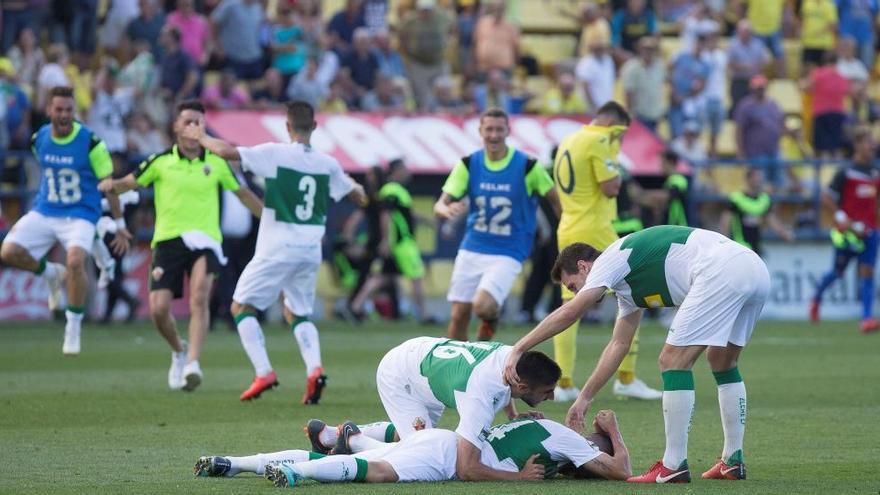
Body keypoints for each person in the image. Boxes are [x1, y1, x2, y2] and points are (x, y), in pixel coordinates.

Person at [504, 225, 771, 483]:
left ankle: (673, 466)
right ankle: (732, 461)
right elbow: (618, 345)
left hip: (720, 270)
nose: (576, 293)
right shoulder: (626, 288)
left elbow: (571, 312)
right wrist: (584, 398)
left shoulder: (611, 258)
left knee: (671, 361)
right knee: (722, 361)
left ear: (584, 266)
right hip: (754, 268)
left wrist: (519, 348)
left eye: (573, 286)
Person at [182, 100, 366, 403]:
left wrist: (201, 137)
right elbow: (358, 197)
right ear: (315, 127)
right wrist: (354, 186)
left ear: (287, 126)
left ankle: (264, 371)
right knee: (298, 311)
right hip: (310, 250)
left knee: (240, 307)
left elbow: (228, 152)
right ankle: (314, 369)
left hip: (278, 247)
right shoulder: (328, 163)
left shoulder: (276, 154)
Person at [100, 100, 263, 391]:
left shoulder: (215, 163)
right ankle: (178, 349)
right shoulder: (160, 161)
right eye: (187, 121)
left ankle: (193, 363)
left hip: (206, 241)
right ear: (176, 126)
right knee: (159, 310)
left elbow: (244, 194)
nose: (193, 127)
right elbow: (128, 183)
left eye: (198, 122)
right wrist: (110, 186)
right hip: (168, 240)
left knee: (199, 295)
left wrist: (271, 219)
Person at [305, 336, 561, 481]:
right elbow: (466, 468)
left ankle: (330, 435)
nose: (552, 396)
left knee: (419, 434)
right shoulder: (479, 398)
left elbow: (504, 389)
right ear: (524, 387)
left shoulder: (511, 359)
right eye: (547, 390)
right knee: (416, 450)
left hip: (424, 360)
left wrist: (514, 415)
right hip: (401, 374)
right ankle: (355, 441)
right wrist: (520, 477)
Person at [0, 86, 131, 355]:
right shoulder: (39, 138)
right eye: (59, 109)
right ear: (49, 110)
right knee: (8, 251)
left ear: (75, 111)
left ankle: (73, 326)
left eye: (69, 110)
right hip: (46, 210)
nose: (64, 115)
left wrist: (119, 225)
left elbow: (109, 185)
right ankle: (50, 273)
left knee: (74, 261)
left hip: (81, 213)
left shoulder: (91, 141)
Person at [549, 101, 660, 402]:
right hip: (595, 228)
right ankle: (626, 377)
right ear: (616, 127)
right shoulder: (600, 140)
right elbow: (611, 187)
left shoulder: (569, 139)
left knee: (568, 304)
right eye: (621, 135)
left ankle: (564, 382)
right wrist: (613, 154)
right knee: (631, 292)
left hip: (569, 225)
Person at [194, 412, 632, 485]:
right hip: (445, 456)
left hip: (439, 442)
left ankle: (233, 463)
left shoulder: (544, 429)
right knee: (379, 472)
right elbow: (619, 471)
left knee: (363, 460)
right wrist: (614, 432)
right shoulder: (566, 441)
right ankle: (298, 474)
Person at [433, 108, 559, 341]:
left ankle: (490, 320)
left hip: (509, 249)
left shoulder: (528, 166)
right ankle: (457, 366)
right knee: (459, 314)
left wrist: (564, 229)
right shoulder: (469, 164)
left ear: (508, 131)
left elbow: (554, 199)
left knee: (481, 305)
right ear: (480, 131)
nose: (493, 135)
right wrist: (445, 209)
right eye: (489, 129)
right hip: (473, 245)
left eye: (499, 129)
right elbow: (440, 204)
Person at [809, 128, 879, 333]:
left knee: (868, 272)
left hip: (869, 231)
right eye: (868, 142)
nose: (872, 147)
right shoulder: (846, 172)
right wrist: (842, 218)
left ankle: (866, 319)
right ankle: (816, 299)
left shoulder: (875, 173)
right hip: (847, 232)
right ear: (857, 145)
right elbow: (826, 197)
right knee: (838, 272)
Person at [349, 159, 428, 322]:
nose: (408, 172)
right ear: (397, 171)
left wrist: (427, 221)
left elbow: (406, 214)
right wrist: (386, 240)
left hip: (397, 243)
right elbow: (387, 215)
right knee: (417, 276)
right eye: (405, 169)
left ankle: (356, 307)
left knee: (381, 277)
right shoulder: (391, 190)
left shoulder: (395, 190)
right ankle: (424, 315)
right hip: (401, 243)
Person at [719, 168, 795, 257]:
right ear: (748, 179)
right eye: (756, 177)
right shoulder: (737, 198)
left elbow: (771, 220)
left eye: (760, 177)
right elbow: (725, 221)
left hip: (757, 245)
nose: (759, 180)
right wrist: (724, 242)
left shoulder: (764, 199)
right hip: (739, 245)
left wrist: (783, 233)